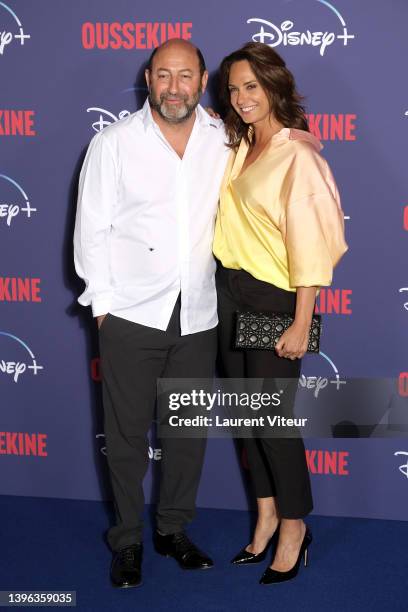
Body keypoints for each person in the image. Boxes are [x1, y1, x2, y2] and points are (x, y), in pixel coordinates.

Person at [74, 38, 229, 588]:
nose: (174, 87)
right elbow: (92, 227)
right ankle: (128, 540)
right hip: (130, 317)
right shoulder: (114, 142)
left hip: (198, 316)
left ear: (203, 79)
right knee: (125, 438)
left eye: (185, 76)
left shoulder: (224, 140)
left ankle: (172, 530)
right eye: (163, 75)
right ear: (148, 77)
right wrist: (104, 306)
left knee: (187, 433)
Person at [213, 42, 348, 584]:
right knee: (247, 420)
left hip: (275, 297)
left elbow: (315, 241)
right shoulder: (242, 144)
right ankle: (266, 514)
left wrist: (301, 319)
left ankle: (295, 526)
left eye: (252, 86)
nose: (242, 98)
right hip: (228, 291)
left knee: (273, 423)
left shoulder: (300, 157)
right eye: (233, 88)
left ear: (275, 86)